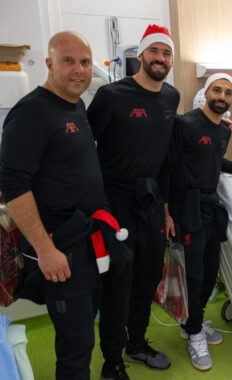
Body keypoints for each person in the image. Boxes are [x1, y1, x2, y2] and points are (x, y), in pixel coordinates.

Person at [0, 31, 127, 380]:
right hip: (59, 248)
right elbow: (13, 187)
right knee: (75, 345)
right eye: (68, 61)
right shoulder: (31, 113)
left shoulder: (76, 106)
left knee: (85, 330)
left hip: (86, 243)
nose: (79, 70)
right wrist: (45, 250)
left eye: (85, 62)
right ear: (50, 64)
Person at [86, 24, 180, 379]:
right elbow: (84, 149)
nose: (160, 58)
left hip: (152, 202)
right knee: (117, 284)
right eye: (154, 52)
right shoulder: (112, 96)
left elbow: (168, 157)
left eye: (166, 53)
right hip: (116, 202)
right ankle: (112, 360)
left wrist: (167, 209)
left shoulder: (172, 97)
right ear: (140, 55)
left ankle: (137, 343)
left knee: (147, 277)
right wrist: (95, 206)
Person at [161, 73, 232, 371]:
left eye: (228, 93)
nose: (222, 96)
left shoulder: (224, 131)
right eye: (217, 90)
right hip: (187, 208)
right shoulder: (185, 124)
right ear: (205, 92)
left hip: (211, 206)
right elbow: (167, 169)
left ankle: (193, 322)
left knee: (210, 272)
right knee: (194, 273)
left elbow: (215, 161)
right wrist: (167, 212)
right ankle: (194, 334)